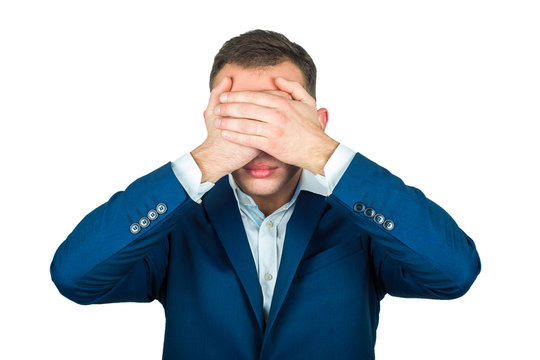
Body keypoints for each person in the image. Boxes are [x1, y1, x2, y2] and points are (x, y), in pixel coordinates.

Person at [51, 29, 481, 359]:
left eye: (278, 118)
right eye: (240, 118)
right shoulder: (178, 219)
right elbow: (76, 278)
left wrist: (321, 153)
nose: (260, 141)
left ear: (316, 122)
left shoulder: (358, 216)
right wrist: (200, 162)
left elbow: (454, 273)